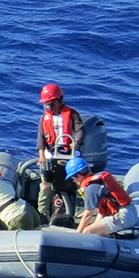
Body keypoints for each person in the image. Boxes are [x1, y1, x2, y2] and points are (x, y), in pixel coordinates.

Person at [34, 83, 85, 222]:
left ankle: (76, 213)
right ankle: (42, 215)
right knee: (45, 187)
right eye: (45, 106)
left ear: (57, 101)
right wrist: (41, 156)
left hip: (70, 154)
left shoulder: (72, 114)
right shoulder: (44, 119)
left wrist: (77, 142)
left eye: (49, 105)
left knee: (74, 185)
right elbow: (41, 138)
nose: (47, 108)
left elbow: (80, 130)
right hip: (51, 155)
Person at [65, 157, 138, 236]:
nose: (73, 181)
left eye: (73, 178)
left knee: (87, 231)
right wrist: (95, 225)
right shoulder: (99, 182)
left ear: (79, 176)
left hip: (123, 217)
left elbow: (87, 215)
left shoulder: (91, 189)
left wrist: (77, 235)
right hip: (130, 212)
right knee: (94, 229)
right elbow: (102, 212)